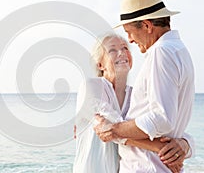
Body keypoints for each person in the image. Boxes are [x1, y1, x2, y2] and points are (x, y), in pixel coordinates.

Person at [94, 0, 195, 172]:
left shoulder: (161, 52)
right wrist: (185, 144)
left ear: (147, 26)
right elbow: (172, 119)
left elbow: (161, 119)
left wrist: (114, 130)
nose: (130, 40)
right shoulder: (180, 51)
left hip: (145, 167)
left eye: (129, 32)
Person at [73, 33, 191, 173]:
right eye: (112, 50)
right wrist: (162, 150)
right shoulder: (91, 86)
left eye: (125, 48)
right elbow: (108, 129)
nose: (122, 53)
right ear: (100, 64)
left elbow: (154, 127)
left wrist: (185, 144)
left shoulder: (135, 95)